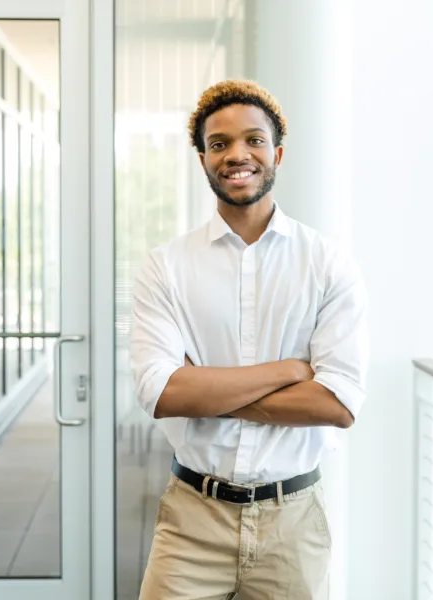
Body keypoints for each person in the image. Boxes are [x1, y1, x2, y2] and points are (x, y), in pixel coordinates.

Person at [130, 79, 369, 600]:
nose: (237, 154)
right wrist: (289, 371)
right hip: (192, 518)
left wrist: (205, 388)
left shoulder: (327, 263)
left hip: (293, 522)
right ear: (203, 160)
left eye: (253, 140)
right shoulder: (165, 266)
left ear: (276, 153)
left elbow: (339, 403)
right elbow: (163, 394)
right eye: (219, 144)